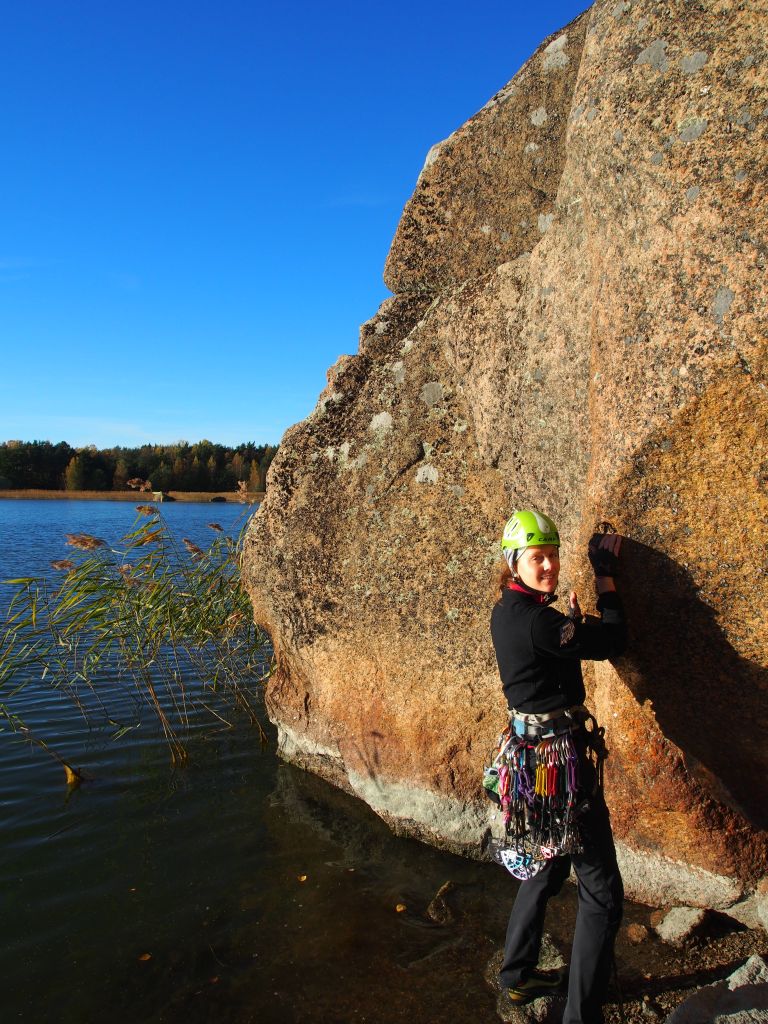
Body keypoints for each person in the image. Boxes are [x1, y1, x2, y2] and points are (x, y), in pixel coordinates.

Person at [489, 509, 626, 1024]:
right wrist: (605, 581)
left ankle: (517, 975)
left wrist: (564, 624)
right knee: (602, 892)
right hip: (561, 769)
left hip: (529, 765)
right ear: (514, 562)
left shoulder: (508, 609)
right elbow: (614, 642)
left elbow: (548, 652)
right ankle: (580, 1015)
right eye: (537, 558)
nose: (548, 566)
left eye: (552, 556)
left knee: (545, 866)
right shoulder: (543, 622)